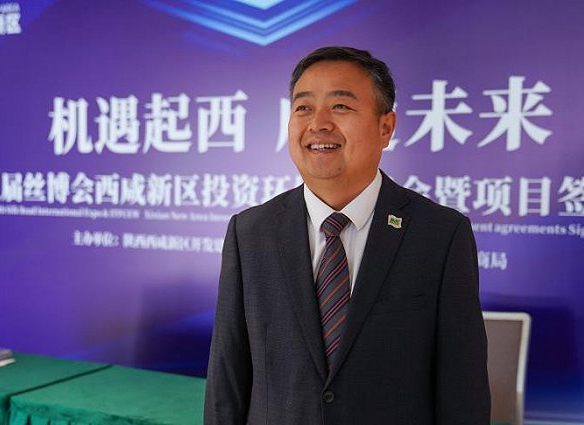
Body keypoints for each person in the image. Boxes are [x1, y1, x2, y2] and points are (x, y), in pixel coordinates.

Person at [204, 46, 490, 425]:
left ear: (385, 127)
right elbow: (227, 379)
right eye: (303, 108)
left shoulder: (440, 234)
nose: (318, 123)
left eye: (340, 106)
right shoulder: (250, 232)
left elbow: (463, 389)